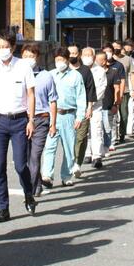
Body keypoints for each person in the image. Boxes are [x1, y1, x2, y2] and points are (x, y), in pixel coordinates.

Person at [0, 32, 37, 223]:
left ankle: (28, 193)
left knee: (21, 164)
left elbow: (31, 94)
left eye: (5, 46)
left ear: (13, 48)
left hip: (20, 120)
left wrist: (31, 120)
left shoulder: (23, 67)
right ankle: (3, 208)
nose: (1, 50)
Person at [41, 47, 87, 187]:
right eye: (57, 60)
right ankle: (47, 175)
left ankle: (66, 176)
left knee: (68, 148)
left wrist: (79, 117)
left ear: (67, 60)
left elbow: (81, 97)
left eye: (62, 59)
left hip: (69, 115)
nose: (59, 62)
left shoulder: (75, 76)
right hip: (52, 116)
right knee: (50, 146)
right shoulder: (49, 75)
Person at [21, 43, 58, 196]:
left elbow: (53, 100)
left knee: (35, 155)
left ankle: (32, 189)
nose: (29, 59)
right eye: (25, 57)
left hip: (41, 119)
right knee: (25, 158)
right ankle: (36, 184)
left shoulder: (46, 76)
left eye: (32, 56)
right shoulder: (18, 75)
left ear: (37, 57)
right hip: (22, 119)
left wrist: (53, 123)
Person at [68, 43, 95, 176]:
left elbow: (91, 90)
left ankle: (77, 163)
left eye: (74, 53)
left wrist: (89, 107)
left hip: (83, 108)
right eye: (70, 53)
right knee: (70, 139)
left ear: (78, 54)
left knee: (81, 137)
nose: (72, 56)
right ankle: (70, 162)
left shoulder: (85, 70)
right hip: (68, 110)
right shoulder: (64, 70)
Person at [82, 47, 107, 169]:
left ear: (93, 56)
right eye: (84, 55)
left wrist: (91, 102)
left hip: (96, 106)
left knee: (96, 129)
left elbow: (102, 89)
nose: (87, 57)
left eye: (89, 55)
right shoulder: (79, 70)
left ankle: (97, 156)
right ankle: (87, 153)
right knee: (84, 131)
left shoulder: (100, 71)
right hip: (81, 106)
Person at [95, 51, 121, 154]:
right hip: (96, 105)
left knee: (106, 128)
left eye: (99, 60)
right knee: (97, 129)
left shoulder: (113, 72)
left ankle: (106, 147)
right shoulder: (93, 72)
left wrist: (116, 104)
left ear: (105, 61)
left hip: (107, 105)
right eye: (96, 60)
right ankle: (96, 150)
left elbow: (117, 89)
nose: (96, 62)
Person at [103, 42, 125, 150]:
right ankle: (106, 141)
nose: (108, 54)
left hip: (114, 97)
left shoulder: (118, 65)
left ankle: (112, 140)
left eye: (110, 51)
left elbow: (122, 81)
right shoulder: (99, 66)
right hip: (103, 99)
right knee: (105, 122)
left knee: (113, 119)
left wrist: (119, 97)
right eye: (105, 52)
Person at [113, 41, 134, 142]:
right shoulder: (108, 59)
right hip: (111, 91)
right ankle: (113, 137)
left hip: (125, 90)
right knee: (112, 115)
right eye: (114, 47)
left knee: (124, 114)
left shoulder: (127, 59)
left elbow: (132, 75)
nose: (116, 48)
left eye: (118, 47)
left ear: (121, 48)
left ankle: (122, 133)